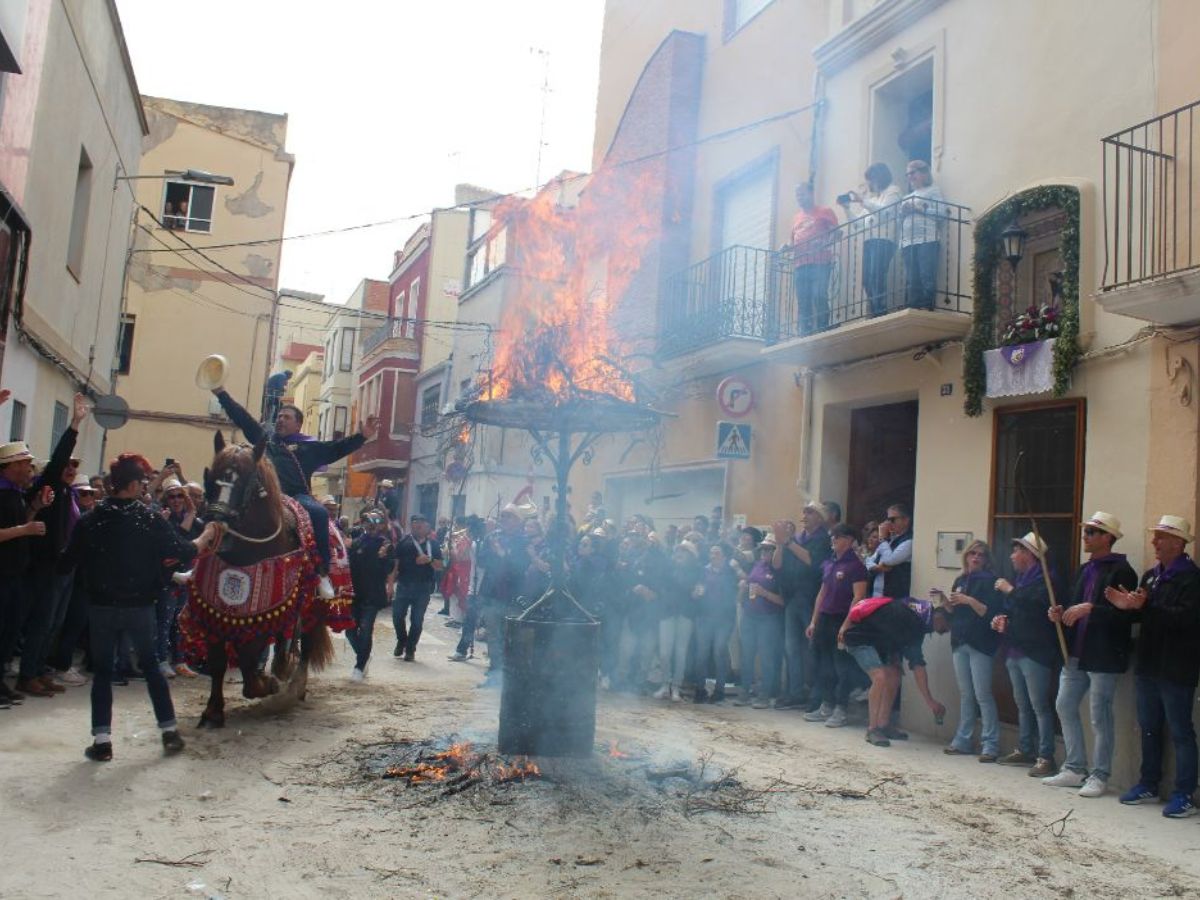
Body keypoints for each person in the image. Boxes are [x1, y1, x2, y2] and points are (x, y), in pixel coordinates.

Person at [59, 452, 223, 761]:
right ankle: (169, 732)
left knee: (104, 673)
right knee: (152, 669)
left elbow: (66, 562)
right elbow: (184, 550)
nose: (146, 487)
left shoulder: (90, 519)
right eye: (144, 482)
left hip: (101, 607)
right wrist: (208, 535)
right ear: (133, 485)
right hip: (140, 607)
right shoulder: (147, 519)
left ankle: (103, 740)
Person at [211, 386, 378, 599]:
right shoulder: (265, 438)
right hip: (264, 495)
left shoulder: (310, 448)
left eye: (286, 417)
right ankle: (208, 560)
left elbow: (338, 448)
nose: (280, 420)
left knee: (318, 513)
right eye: (279, 416)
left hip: (297, 497)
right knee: (225, 507)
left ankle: (322, 572)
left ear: (298, 424)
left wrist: (362, 436)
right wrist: (221, 394)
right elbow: (242, 418)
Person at [1108, 515, 1200, 819]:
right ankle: (1148, 783)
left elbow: (1184, 620)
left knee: (1180, 732)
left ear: (1178, 542)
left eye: (1160, 537)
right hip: (1148, 664)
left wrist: (1145, 607)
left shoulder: (1192, 579)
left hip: (1176, 667)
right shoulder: (1150, 575)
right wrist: (1126, 607)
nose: (1154, 543)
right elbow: (1142, 616)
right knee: (1148, 727)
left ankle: (1184, 793)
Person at [1042, 512, 1138, 798]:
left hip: (1104, 655)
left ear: (1107, 537)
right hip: (1076, 653)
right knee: (1064, 705)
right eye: (1086, 532)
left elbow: (1126, 617)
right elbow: (1073, 605)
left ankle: (1100, 774)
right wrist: (1060, 613)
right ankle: (1074, 767)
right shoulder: (1084, 569)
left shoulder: (1123, 572)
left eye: (1092, 532)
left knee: (1100, 716)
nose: (1085, 536)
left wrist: (1091, 610)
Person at [21, 393, 90, 696]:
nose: (71, 469)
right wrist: (74, 424)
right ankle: (27, 675)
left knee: (52, 624)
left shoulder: (67, 493)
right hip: (42, 566)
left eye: (76, 467)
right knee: (39, 623)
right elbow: (60, 457)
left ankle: (39, 670)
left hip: (60, 567)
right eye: (68, 465)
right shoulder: (47, 486)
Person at [992, 533, 1060, 778]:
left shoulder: (1047, 580)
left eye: (1016, 550)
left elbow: (1035, 607)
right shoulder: (1021, 579)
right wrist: (1003, 621)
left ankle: (1046, 756)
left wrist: (1009, 590)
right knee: (1022, 705)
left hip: (1035, 652)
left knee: (1040, 705)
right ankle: (1025, 748)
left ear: (1029, 554)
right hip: (1015, 649)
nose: (1011, 556)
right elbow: (1018, 612)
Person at [940, 540, 1003, 762]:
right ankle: (963, 739)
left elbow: (988, 612)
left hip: (981, 643)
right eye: (972, 554)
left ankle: (990, 744)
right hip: (960, 641)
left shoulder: (992, 582)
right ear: (966, 556)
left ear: (987, 560)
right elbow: (954, 614)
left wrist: (968, 600)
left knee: (983, 694)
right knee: (966, 694)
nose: (976, 558)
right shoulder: (960, 579)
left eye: (981, 555)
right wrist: (945, 602)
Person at [0, 441, 51, 705]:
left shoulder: (15, 493)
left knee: (10, 630)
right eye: (23, 463)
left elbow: (20, 524)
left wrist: (35, 510)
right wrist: (24, 531)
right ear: (10, 466)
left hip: (15, 574)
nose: (28, 468)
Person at [805, 523, 869, 727]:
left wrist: (847, 624)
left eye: (839, 537)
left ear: (850, 540)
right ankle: (826, 704)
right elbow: (821, 594)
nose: (834, 540)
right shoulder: (829, 563)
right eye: (833, 536)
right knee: (823, 665)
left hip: (842, 619)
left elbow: (858, 597)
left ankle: (841, 709)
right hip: (825, 618)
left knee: (842, 666)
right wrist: (814, 621)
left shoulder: (856, 566)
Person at [774, 503, 832, 711]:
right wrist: (780, 544)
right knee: (791, 649)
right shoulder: (797, 539)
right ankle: (795, 692)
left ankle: (816, 695)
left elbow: (812, 561)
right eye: (804, 511)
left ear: (820, 518)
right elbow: (778, 566)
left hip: (811, 599)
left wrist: (788, 541)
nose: (804, 515)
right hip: (792, 599)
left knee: (812, 649)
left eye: (810, 512)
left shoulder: (823, 539)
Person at [475, 503, 533, 687]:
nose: (504, 519)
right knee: (493, 637)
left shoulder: (524, 541)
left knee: (512, 638)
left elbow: (520, 567)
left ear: (518, 521)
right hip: (492, 595)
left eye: (509, 516)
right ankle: (495, 675)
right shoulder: (492, 537)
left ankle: (510, 678)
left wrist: (501, 553)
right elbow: (481, 561)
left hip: (513, 597)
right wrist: (491, 551)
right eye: (503, 516)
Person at [839, 162, 902, 316]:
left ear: (878, 177)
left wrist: (863, 201)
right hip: (870, 242)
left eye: (870, 179)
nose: (868, 184)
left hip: (884, 240)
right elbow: (859, 224)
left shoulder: (893, 191)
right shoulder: (874, 198)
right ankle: (875, 311)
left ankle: (880, 312)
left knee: (876, 275)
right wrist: (846, 208)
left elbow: (884, 213)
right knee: (867, 279)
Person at [735, 538, 785, 709]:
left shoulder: (779, 571)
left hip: (768, 618)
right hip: (750, 615)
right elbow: (748, 586)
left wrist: (764, 593)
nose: (764, 553)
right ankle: (745, 691)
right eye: (762, 550)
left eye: (769, 550)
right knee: (747, 656)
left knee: (766, 658)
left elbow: (783, 601)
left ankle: (765, 694)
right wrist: (742, 591)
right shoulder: (757, 565)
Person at [346, 511, 393, 681]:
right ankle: (364, 656)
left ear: (380, 525)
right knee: (350, 631)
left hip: (372, 595)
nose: (370, 526)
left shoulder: (385, 545)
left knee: (366, 630)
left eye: (374, 523)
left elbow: (389, 569)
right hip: (355, 594)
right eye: (368, 523)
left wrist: (382, 558)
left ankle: (359, 666)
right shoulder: (358, 541)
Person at [390, 513, 443, 662]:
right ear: (411, 525)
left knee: (417, 620)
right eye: (415, 524)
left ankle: (411, 649)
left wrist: (429, 559)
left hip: (423, 587)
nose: (418, 526)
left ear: (426, 527)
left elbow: (440, 566)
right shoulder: (403, 542)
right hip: (404, 585)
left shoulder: (433, 544)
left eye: (421, 524)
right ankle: (402, 640)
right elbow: (396, 565)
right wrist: (390, 585)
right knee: (397, 616)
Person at [654, 540, 702, 702]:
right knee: (664, 652)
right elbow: (661, 586)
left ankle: (676, 687)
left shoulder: (696, 570)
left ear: (691, 555)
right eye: (678, 551)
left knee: (680, 652)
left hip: (685, 613)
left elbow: (692, 588)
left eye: (684, 551)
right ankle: (664, 684)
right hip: (667, 612)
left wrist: (695, 590)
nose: (680, 554)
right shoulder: (668, 568)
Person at [790, 183, 840, 335]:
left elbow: (838, 233)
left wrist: (824, 243)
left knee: (819, 295)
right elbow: (793, 241)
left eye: (802, 193)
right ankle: (805, 331)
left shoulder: (825, 211)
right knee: (803, 300)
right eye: (797, 195)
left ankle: (822, 327)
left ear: (811, 193)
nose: (799, 197)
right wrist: (786, 247)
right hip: (800, 264)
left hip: (820, 262)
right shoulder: (796, 218)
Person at [693, 542, 740, 703]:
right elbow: (697, 589)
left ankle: (719, 691)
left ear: (724, 556)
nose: (713, 556)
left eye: (717, 553)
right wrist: (696, 594)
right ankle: (700, 690)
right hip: (704, 616)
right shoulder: (703, 570)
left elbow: (735, 591)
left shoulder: (730, 572)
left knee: (719, 651)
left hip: (724, 618)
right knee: (702, 654)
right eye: (711, 553)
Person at [898, 159, 944, 310]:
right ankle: (913, 306)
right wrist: (903, 213)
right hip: (907, 241)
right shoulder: (906, 196)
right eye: (907, 174)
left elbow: (941, 214)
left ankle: (926, 307)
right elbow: (899, 220)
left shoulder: (933, 190)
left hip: (927, 238)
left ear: (924, 173)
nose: (910, 176)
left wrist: (919, 209)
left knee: (926, 275)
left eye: (913, 172)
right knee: (912, 278)